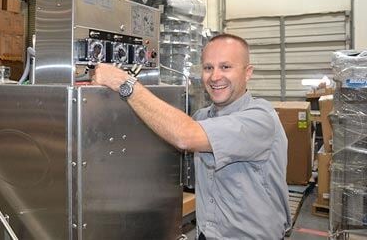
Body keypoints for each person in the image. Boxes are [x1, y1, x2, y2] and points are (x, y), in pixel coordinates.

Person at [92, 34, 291, 239]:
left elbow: (184, 136)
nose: (215, 77)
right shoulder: (203, 117)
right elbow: (166, 140)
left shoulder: (260, 119)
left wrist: (125, 83)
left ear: (247, 73)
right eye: (208, 68)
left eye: (225, 67)